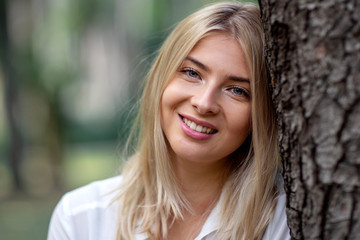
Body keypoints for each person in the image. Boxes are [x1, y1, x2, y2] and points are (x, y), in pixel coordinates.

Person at [48, 2, 290, 240]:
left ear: (262, 114)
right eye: (192, 73)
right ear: (161, 78)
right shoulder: (81, 218)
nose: (204, 103)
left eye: (237, 90)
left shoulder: (285, 220)